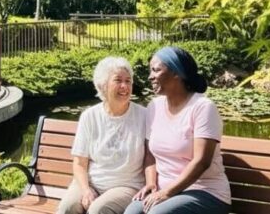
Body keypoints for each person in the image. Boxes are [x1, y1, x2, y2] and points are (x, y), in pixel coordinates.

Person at [125, 46, 231, 214]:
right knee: (132, 212)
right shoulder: (154, 106)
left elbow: (201, 161)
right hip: (163, 190)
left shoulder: (202, 107)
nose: (150, 76)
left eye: (156, 70)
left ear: (176, 73)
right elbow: (150, 155)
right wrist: (151, 183)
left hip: (205, 191)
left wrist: (167, 193)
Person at [57, 57, 149, 214]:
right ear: (103, 85)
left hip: (126, 186)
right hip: (91, 183)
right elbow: (80, 163)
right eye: (118, 80)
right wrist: (86, 189)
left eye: (128, 81)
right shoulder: (89, 116)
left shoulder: (144, 116)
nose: (124, 86)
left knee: (98, 210)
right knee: (68, 207)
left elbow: (152, 157)